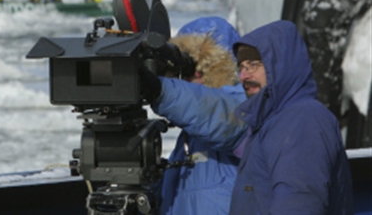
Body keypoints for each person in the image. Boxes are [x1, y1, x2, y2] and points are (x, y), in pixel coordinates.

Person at [229, 20, 353, 214]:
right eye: (241, 67)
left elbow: (300, 203)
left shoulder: (302, 119)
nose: (243, 76)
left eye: (254, 65)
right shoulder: (270, 122)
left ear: (280, 65)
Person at [149, 16, 248, 215]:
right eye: (183, 68)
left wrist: (157, 89)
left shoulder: (245, 107)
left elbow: (215, 114)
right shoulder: (187, 140)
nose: (192, 75)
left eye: (199, 66)